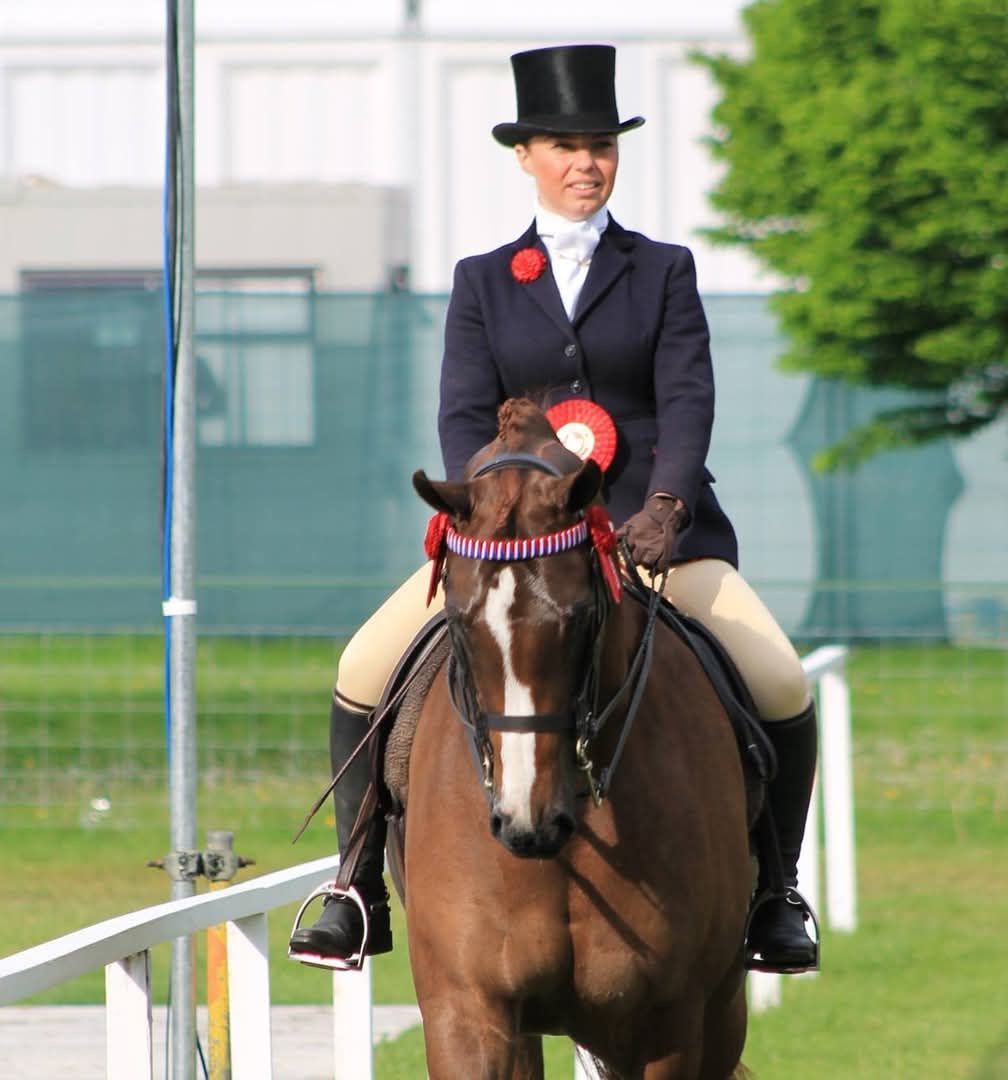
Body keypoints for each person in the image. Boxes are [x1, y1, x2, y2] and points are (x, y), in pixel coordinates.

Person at [289, 43, 818, 974]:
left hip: (656, 540)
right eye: (566, 145)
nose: (586, 162)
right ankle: (355, 886)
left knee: (779, 680)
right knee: (364, 666)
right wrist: (491, 520)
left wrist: (665, 502)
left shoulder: (661, 269)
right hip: (510, 550)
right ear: (526, 156)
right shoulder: (484, 280)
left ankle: (776, 894)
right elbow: (462, 411)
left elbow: (686, 399)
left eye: (601, 145)